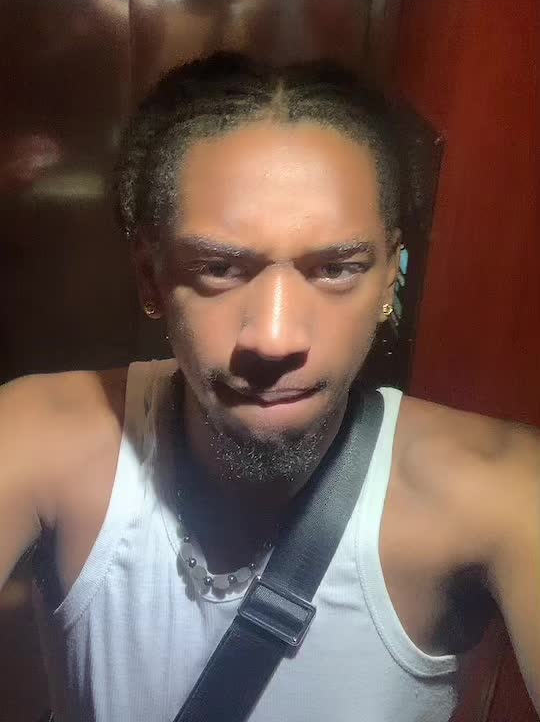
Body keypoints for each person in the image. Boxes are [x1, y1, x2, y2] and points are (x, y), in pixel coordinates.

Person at [0, 53, 538, 722]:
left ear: (390, 278)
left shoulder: (501, 491)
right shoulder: (36, 438)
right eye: (219, 267)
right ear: (150, 278)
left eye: (337, 268)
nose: (276, 337)